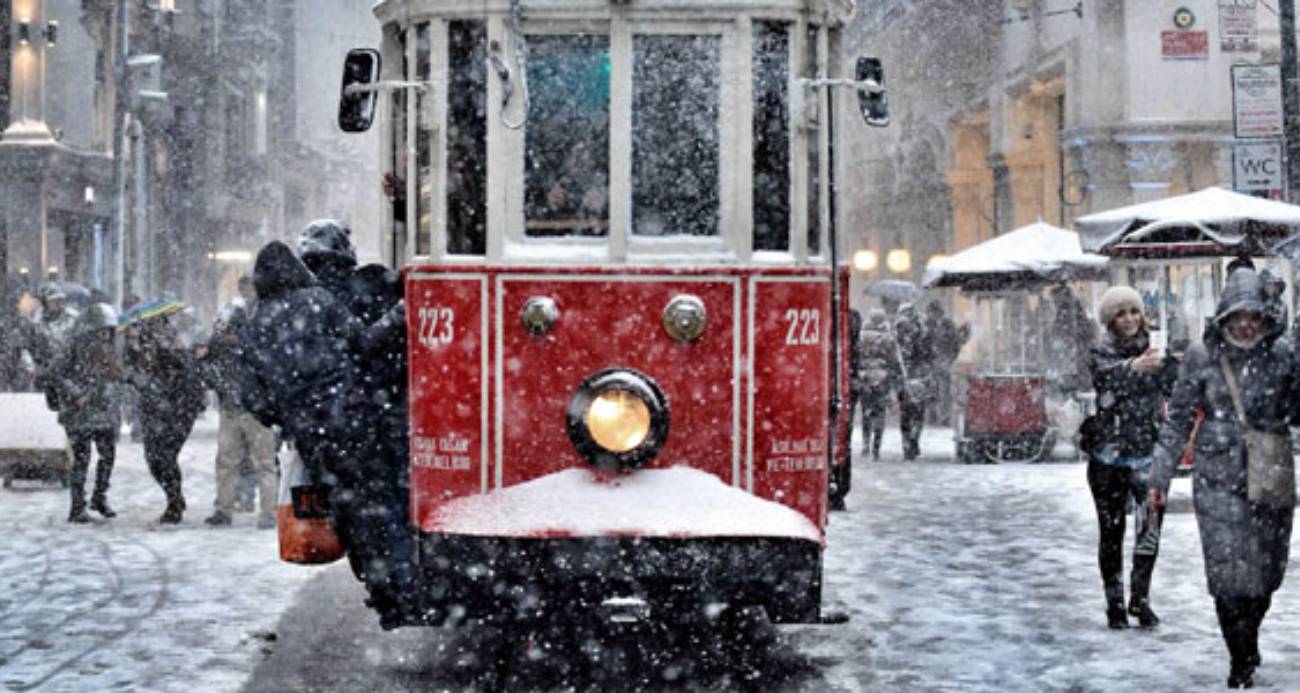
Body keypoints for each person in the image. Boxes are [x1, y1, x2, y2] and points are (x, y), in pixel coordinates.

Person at [240, 240, 415, 628]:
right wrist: (401, 314)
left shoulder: (254, 326)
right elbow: (365, 343)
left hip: (313, 437)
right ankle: (402, 588)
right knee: (383, 502)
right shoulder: (319, 301)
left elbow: (252, 398)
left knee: (347, 512)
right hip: (355, 422)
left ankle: (377, 585)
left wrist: (288, 412)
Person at [1147, 268, 1298, 688]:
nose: (1245, 324)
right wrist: (1160, 475)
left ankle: (1249, 634)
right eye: (1237, 316)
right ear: (1224, 318)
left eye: (1253, 315)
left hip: (1271, 472)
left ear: (1264, 317)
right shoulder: (1201, 355)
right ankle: (1240, 655)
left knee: (1267, 573)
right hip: (1217, 476)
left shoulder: (1282, 353)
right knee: (1228, 573)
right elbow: (1177, 419)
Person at [1078, 285, 1178, 630]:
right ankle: (1114, 602)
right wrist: (1134, 367)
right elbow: (1107, 379)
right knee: (1112, 532)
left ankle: (1141, 598)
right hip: (1108, 458)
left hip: (1148, 456)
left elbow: (1175, 386)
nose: (1129, 319)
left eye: (1133, 311)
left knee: (1150, 530)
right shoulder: (1100, 350)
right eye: (1120, 314)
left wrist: (1169, 364)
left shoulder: (1157, 346)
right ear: (1110, 319)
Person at [123, 304, 206, 524]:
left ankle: (174, 503)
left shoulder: (172, 344)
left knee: (166, 456)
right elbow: (130, 373)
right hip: (153, 408)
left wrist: (164, 355)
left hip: (178, 407)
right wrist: (136, 365)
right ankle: (175, 496)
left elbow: (185, 372)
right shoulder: (138, 347)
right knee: (153, 458)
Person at [199, 304, 278, 529]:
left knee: (263, 464)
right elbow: (205, 373)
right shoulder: (223, 346)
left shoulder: (255, 345)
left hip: (254, 413)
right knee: (228, 463)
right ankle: (225, 510)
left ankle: (268, 513)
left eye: (230, 330)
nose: (228, 335)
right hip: (235, 411)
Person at [48, 304, 122, 523]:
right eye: (102, 329)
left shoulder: (109, 349)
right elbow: (55, 372)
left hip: (102, 410)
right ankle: (77, 506)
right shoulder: (73, 345)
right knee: (82, 459)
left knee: (108, 455)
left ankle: (100, 496)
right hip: (78, 412)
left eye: (109, 330)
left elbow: (115, 375)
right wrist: (76, 392)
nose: (105, 334)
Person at [830, 308, 862, 511]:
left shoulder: (840, 322)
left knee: (841, 440)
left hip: (840, 389)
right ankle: (839, 487)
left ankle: (837, 486)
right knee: (842, 440)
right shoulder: (849, 326)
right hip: (844, 391)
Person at [859, 309, 899, 461]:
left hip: (866, 379)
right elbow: (893, 361)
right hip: (882, 380)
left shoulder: (862, 337)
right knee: (880, 413)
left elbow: (857, 357)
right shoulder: (888, 339)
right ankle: (876, 447)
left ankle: (865, 442)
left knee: (866, 413)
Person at [894, 303, 932, 461]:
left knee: (905, 412)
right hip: (920, 375)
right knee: (918, 411)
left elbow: (894, 356)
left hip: (905, 376)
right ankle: (914, 439)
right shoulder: (923, 331)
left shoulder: (898, 331)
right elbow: (929, 354)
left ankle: (907, 442)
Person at [924, 301, 963, 426]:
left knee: (945, 391)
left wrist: (951, 358)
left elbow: (955, 343)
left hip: (944, 361)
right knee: (932, 390)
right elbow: (922, 343)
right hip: (931, 362)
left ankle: (944, 417)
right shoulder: (926, 325)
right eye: (930, 313)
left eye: (933, 312)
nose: (932, 315)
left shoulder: (948, 324)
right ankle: (932, 416)